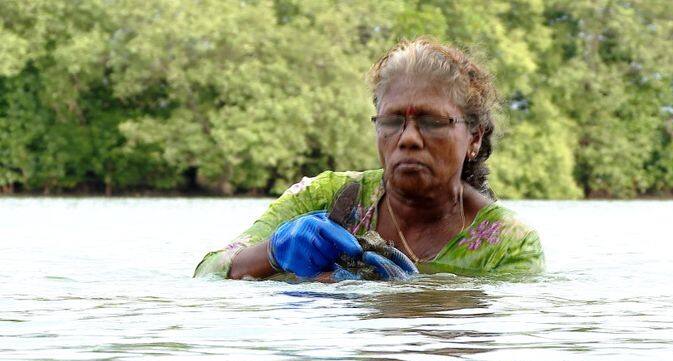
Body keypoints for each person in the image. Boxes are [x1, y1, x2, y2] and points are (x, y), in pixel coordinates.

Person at [194, 38, 544, 281]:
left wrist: (401, 294)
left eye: (431, 122)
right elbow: (209, 271)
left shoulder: (507, 243)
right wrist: (272, 253)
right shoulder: (324, 196)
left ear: (474, 137)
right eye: (393, 121)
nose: (407, 138)